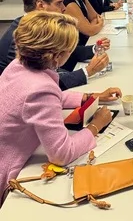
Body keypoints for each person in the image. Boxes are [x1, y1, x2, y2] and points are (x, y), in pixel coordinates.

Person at [0, 11, 122, 206]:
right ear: (56, 56)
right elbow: (61, 154)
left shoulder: (17, 65)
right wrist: (96, 125)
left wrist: (91, 97)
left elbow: (48, 98)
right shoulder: (39, 89)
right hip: (9, 172)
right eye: (69, 50)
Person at [0, 0, 110, 87]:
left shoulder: (40, 26)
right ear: (41, 5)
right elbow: (36, 82)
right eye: (59, 3)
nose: (64, 8)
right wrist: (88, 71)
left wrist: (95, 48)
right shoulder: (21, 36)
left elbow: (64, 51)